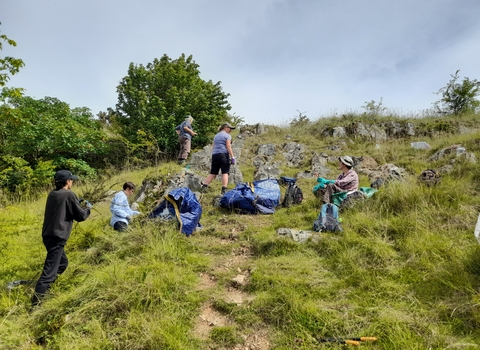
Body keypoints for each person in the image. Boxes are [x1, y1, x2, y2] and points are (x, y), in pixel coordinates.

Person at [31, 170, 91, 307]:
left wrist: (77, 202)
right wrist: (87, 208)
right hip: (57, 237)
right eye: (71, 180)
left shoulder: (53, 194)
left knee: (62, 264)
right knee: (49, 273)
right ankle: (35, 306)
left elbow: (64, 207)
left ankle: (46, 290)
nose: (72, 182)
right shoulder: (69, 194)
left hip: (48, 235)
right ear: (67, 181)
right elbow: (80, 216)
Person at [201, 122, 236, 194]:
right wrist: (232, 156)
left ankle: (204, 187)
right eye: (230, 128)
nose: (231, 130)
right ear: (225, 128)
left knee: (213, 173)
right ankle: (224, 190)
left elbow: (213, 146)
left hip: (215, 155)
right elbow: (228, 146)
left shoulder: (216, 136)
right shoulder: (227, 136)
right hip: (223, 155)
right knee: (225, 172)